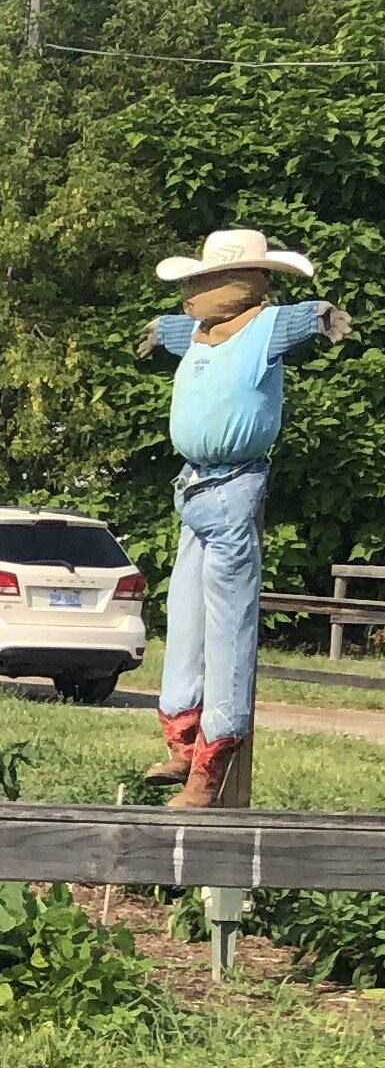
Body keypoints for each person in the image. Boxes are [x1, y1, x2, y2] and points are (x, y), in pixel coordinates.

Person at [133, 229, 354, 808]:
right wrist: (160, 332)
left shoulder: (263, 327)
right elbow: (177, 329)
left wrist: (324, 317)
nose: (191, 295)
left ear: (237, 283)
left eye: (201, 283)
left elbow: (302, 317)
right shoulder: (202, 335)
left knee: (228, 625)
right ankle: (182, 737)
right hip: (193, 489)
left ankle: (213, 759)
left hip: (233, 488)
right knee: (184, 617)